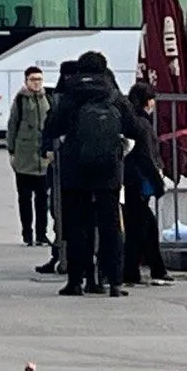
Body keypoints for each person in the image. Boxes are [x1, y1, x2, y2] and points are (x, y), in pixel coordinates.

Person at [45, 53, 140, 298]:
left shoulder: (70, 93)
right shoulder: (114, 95)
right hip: (108, 170)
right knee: (110, 227)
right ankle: (114, 282)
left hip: (75, 169)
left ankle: (77, 280)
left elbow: (54, 126)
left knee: (77, 226)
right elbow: (134, 128)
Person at [122, 81, 172, 285]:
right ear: (147, 101)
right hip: (138, 181)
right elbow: (147, 156)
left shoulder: (127, 119)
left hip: (128, 179)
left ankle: (155, 269)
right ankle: (134, 271)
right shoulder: (142, 123)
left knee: (145, 226)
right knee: (141, 227)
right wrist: (158, 181)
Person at [8, 65, 55, 262]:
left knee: (42, 199)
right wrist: (11, 151)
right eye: (33, 79)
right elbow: (12, 125)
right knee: (24, 198)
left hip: (43, 159)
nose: (36, 83)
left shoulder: (48, 99)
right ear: (26, 81)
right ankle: (27, 232)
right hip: (24, 157)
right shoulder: (21, 100)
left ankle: (41, 233)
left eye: (39, 79)